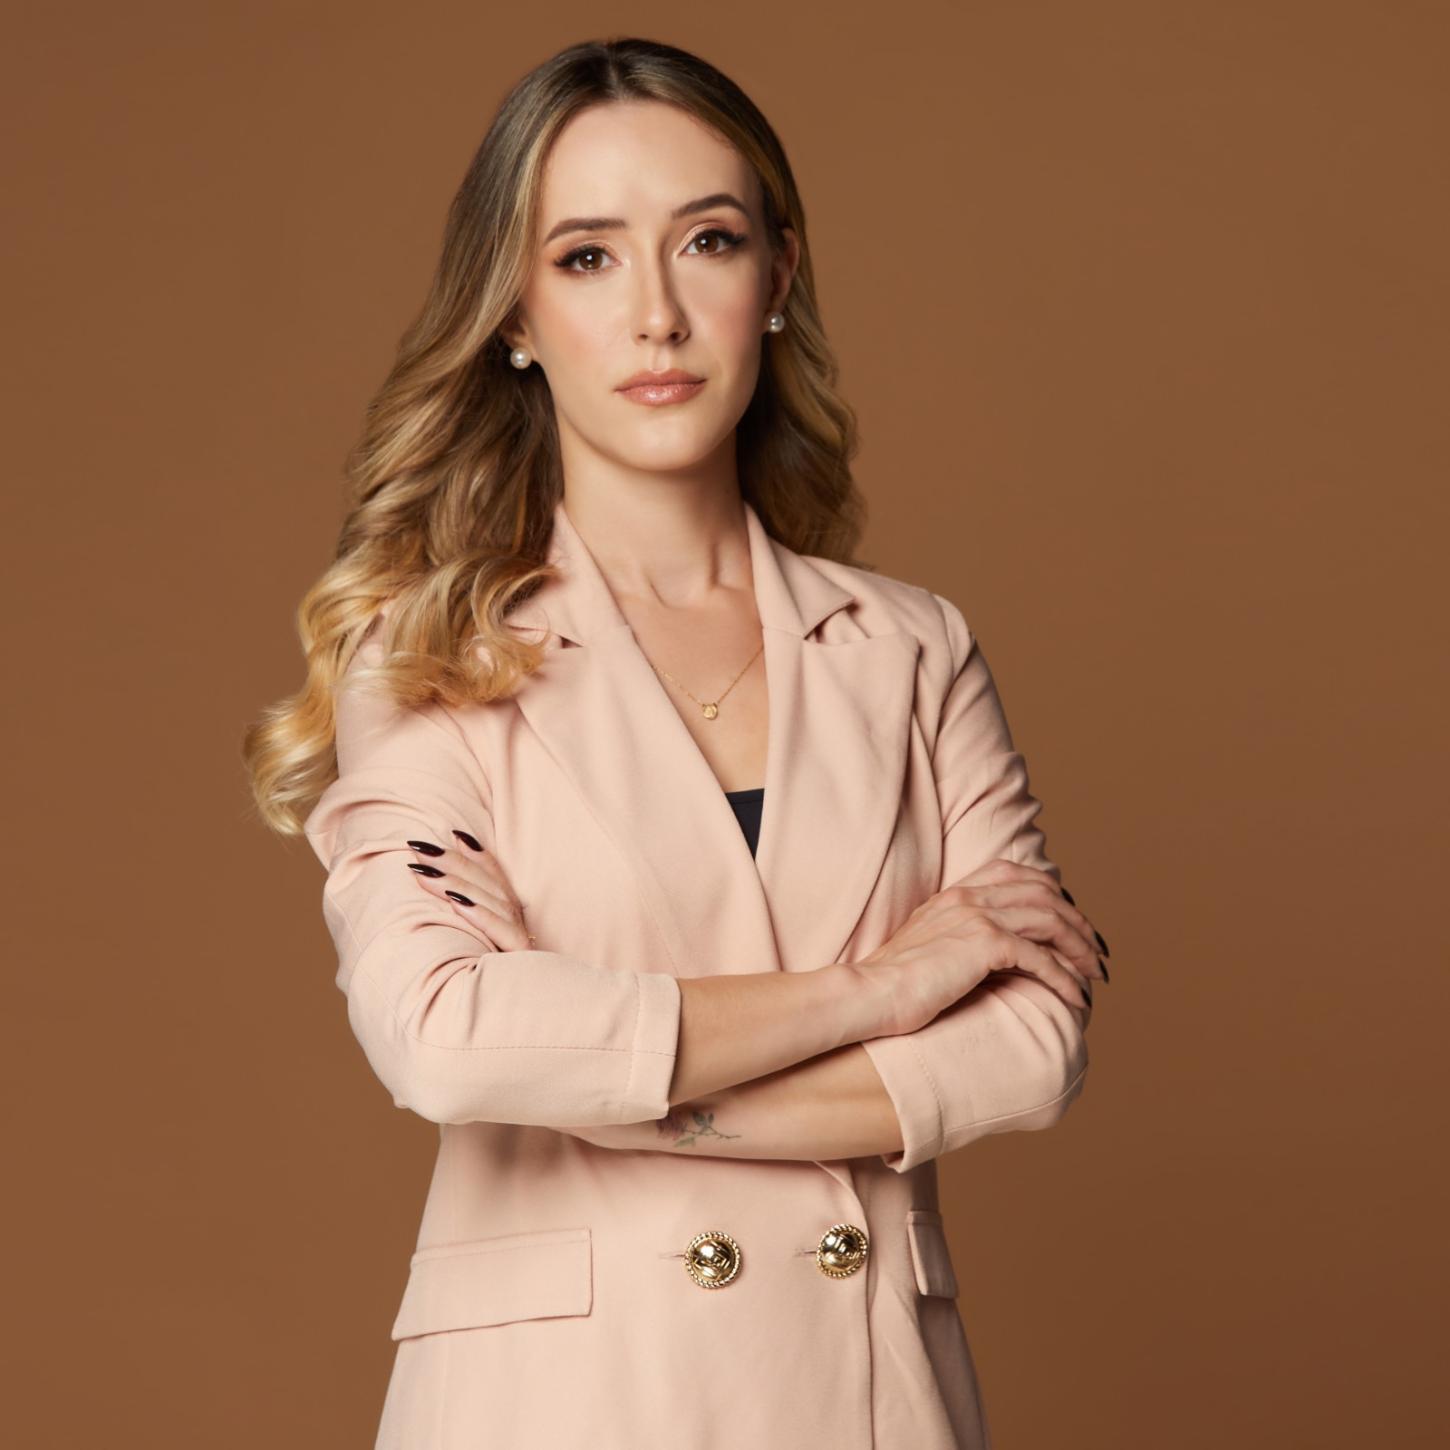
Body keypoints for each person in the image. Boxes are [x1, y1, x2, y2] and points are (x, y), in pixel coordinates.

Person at [243, 35, 1109, 1450]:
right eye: (586, 257)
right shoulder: (431, 652)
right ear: (514, 314)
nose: (655, 314)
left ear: (776, 275)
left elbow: (1028, 1042)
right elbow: (447, 1033)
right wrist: (884, 987)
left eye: (706, 241)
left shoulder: (909, 647)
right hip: (561, 1406)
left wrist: (638, 1106)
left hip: (869, 1394)